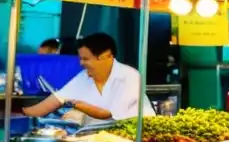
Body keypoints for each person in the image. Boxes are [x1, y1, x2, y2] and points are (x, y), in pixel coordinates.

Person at [22, 33, 155, 125]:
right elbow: (55, 100)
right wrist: (21, 113)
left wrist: (79, 105)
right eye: (80, 59)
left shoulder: (130, 76)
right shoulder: (84, 77)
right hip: (102, 141)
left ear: (106, 56)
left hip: (139, 140)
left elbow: (107, 114)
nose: (81, 63)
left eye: (86, 59)